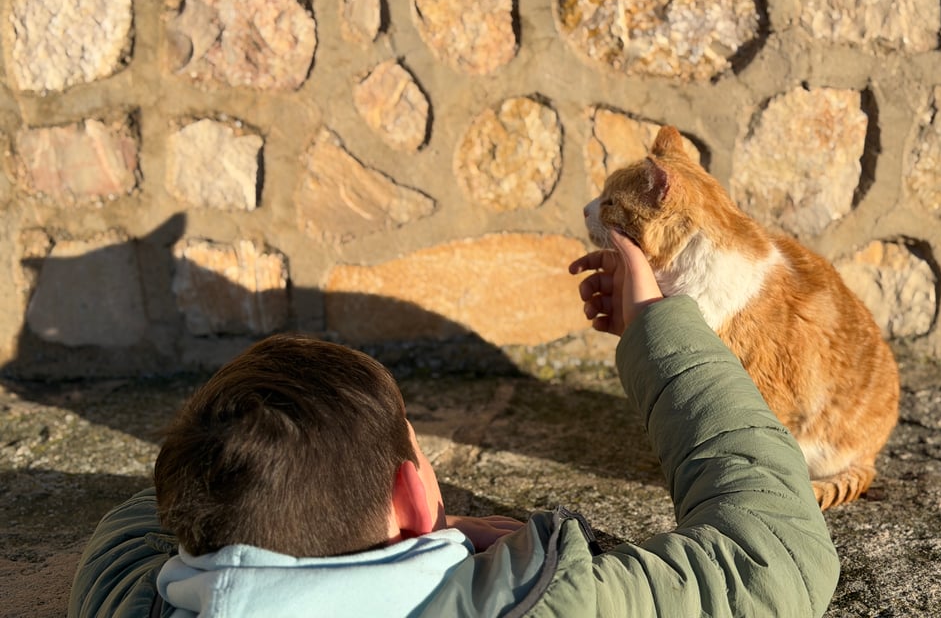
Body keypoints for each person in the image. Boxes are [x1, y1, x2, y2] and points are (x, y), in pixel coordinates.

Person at [68, 231, 840, 617]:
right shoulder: (552, 601)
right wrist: (658, 325)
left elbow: (146, 523)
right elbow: (773, 553)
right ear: (410, 497)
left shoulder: (124, 596)